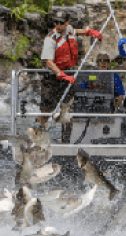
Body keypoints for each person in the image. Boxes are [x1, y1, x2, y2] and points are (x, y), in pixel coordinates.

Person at [39, 10, 101, 139]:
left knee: (67, 110)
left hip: (68, 75)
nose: (58, 25)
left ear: (66, 23)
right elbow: (48, 62)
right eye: (56, 22)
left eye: (61, 23)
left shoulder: (69, 30)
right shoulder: (50, 39)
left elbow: (75, 31)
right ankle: (37, 137)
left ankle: (66, 139)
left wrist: (88, 32)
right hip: (52, 77)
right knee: (46, 111)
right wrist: (61, 74)